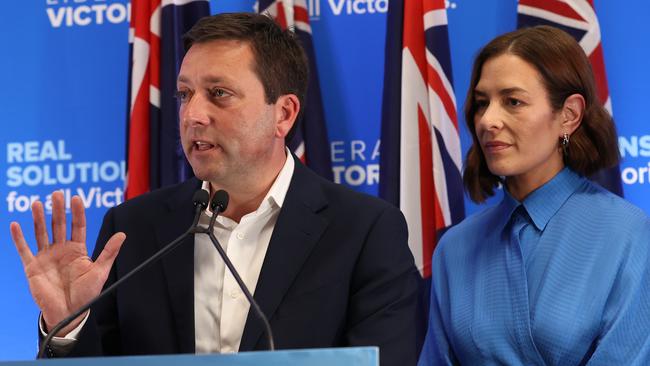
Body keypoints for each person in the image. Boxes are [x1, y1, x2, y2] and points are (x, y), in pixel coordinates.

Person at [9, 13, 419, 365]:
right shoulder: (132, 229)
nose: (193, 115)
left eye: (219, 94)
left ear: (284, 114)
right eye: (185, 95)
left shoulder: (364, 231)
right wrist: (68, 325)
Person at [418, 25, 650, 365]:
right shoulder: (455, 248)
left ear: (569, 115)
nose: (488, 120)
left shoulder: (630, 235)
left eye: (513, 101)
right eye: (482, 103)